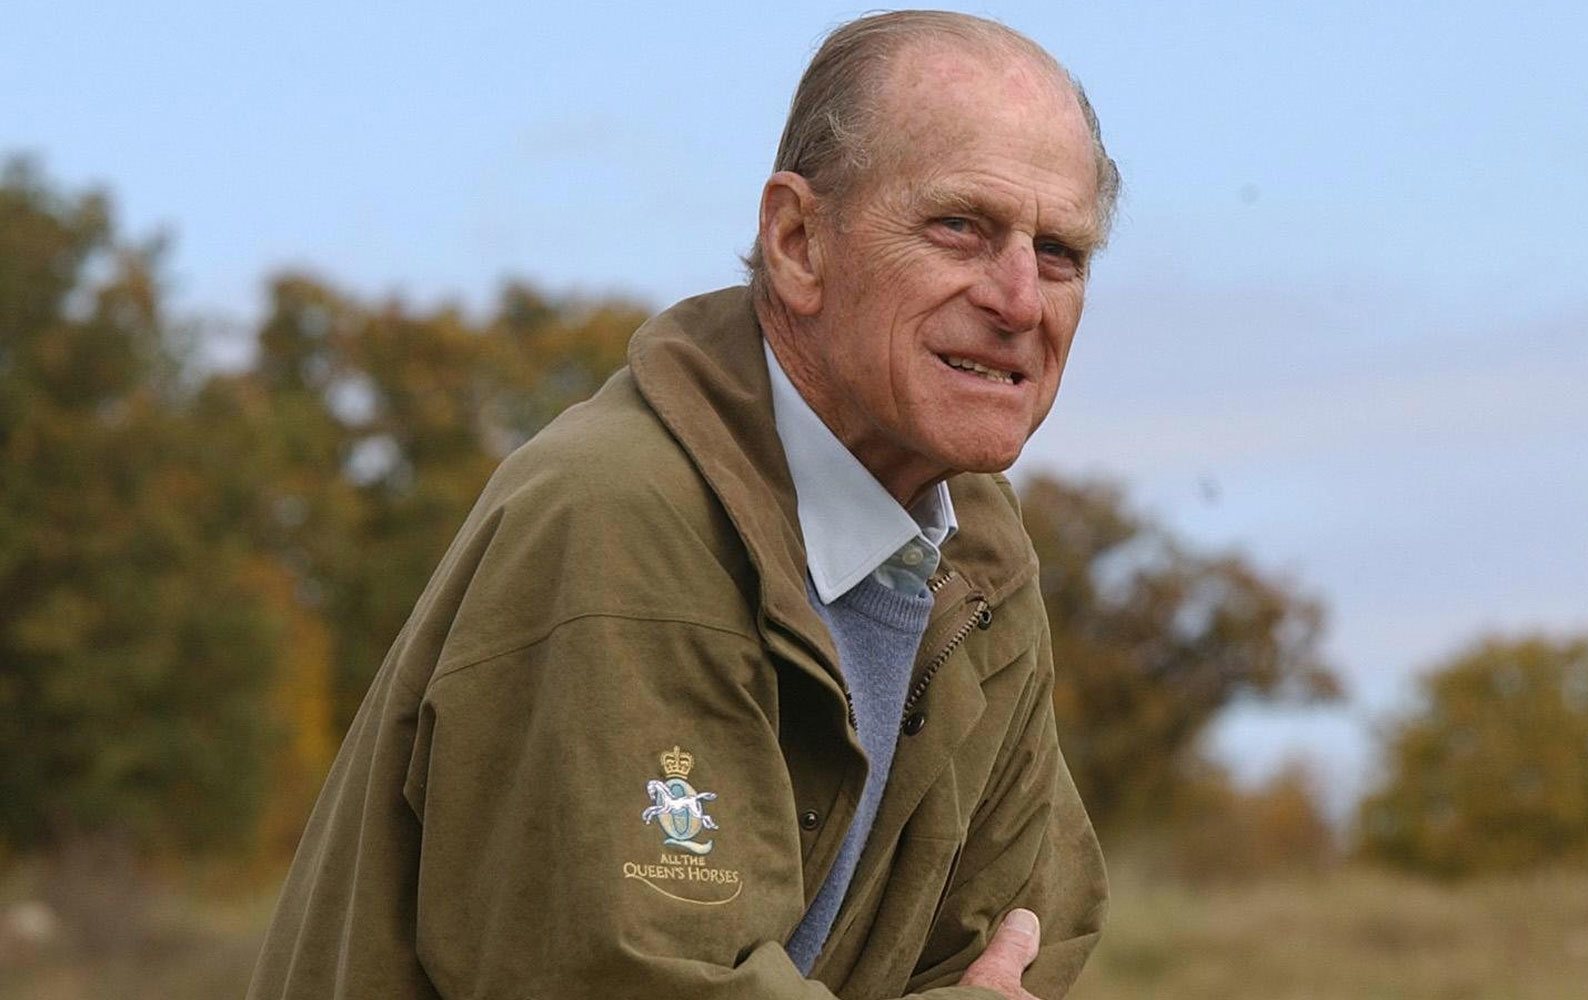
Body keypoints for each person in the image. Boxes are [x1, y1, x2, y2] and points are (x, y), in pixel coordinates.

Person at [247, 10, 1119, 1000]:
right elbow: (625, 978)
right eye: (959, 225)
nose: (1017, 299)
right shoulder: (619, 522)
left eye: (1059, 253)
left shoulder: (976, 552)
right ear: (796, 242)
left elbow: (1025, 935)